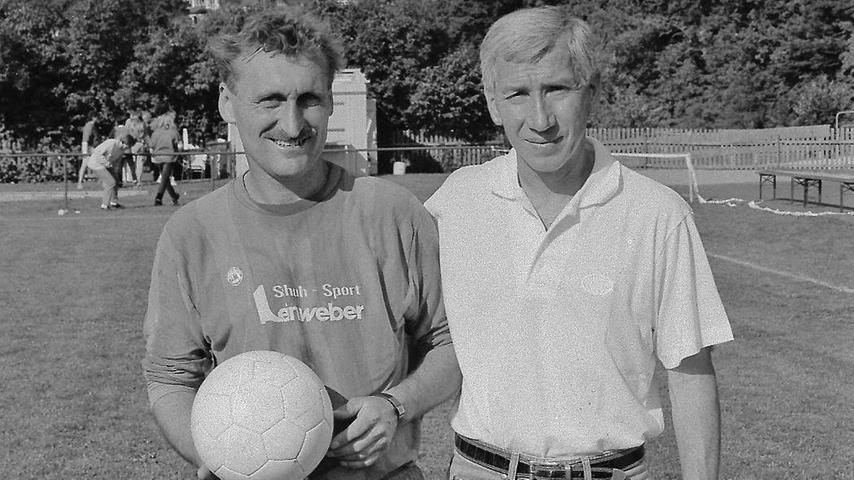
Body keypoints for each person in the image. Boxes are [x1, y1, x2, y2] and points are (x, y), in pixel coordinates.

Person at [141, 6, 460, 480]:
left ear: (330, 100)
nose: (292, 126)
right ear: (227, 103)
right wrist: (213, 453)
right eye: (269, 100)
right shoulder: (193, 233)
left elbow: (452, 345)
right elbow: (170, 377)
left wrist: (396, 405)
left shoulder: (393, 215)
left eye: (309, 99)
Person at [425, 7, 733, 480]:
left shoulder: (656, 214)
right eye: (518, 95)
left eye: (556, 89)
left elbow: (690, 372)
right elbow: (414, 334)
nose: (540, 118)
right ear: (492, 103)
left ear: (590, 94)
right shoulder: (456, 203)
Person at [86, 134, 130, 210]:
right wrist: (107, 164)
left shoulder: (121, 150)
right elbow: (97, 153)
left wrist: (113, 168)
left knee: (116, 181)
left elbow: (116, 160)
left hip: (107, 164)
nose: (127, 148)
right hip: (96, 164)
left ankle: (114, 203)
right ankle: (104, 205)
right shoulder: (111, 143)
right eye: (127, 145)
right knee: (111, 182)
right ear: (123, 142)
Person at [148, 112, 181, 206]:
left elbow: (151, 146)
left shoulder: (156, 133)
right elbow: (180, 145)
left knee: (165, 178)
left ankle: (174, 196)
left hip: (158, 157)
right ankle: (158, 198)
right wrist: (179, 154)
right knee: (164, 177)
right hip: (169, 157)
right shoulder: (174, 132)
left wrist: (152, 157)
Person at [77, 116, 97, 189]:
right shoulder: (90, 125)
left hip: (89, 145)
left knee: (96, 161)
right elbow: (87, 137)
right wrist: (88, 148)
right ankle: (80, 182)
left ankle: (100, 180)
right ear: (94, 117)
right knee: (85, 163)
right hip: (88, 145)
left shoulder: (89, 125)